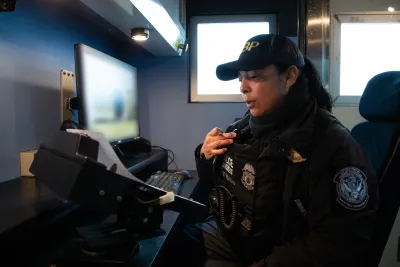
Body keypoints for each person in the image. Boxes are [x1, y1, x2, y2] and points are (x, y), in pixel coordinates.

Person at [184, 34, 379, 267]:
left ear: (289, 76)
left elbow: (340, 239)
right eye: (240, 78)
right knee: (172, 243)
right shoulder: (245, 127)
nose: (242, 87)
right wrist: (205, 157)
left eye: (254, 77)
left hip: (276, 256)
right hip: (238, 238)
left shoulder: (332, 144)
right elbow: (222, 191)